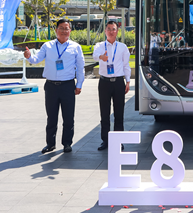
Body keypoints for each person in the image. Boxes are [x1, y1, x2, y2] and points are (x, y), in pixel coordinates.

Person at [24, 19, 85, 154]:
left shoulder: (75, 47)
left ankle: (67, 143)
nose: (64, 31)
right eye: (61, 28)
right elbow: (36, 59)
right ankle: (50, 144)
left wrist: (79, 84)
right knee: (51, 117)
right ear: (56, 30)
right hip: (51, 86)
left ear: (70, 31)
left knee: (68, 117)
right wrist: (29, 56)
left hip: (68, 85)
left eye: (66, 28)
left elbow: (80, 67)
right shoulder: (48, 46)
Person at [93, 21, 131, 151]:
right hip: (104, 82)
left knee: (119, 113)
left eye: (113, 29)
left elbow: (126, 65)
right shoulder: (100, 45)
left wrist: (128, 81)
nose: (111, 31)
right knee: (104, 113)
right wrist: (101, 57)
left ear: (117, 31)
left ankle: (118, 141)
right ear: (105, 31)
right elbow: (94, 56)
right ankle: (105, 140)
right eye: (108, 29)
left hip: (118, 82)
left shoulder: (122, 47)